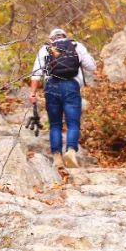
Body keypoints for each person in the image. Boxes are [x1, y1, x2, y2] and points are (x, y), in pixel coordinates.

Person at [29, 28, 96, 169]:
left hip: (52, 87)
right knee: (73, 123)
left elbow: (36, 73)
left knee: (55, 125)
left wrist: (33, 93)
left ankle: (57, 158)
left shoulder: (45, 49)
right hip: (71, 86)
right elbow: (91, 67)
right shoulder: (76, 46)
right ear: (65, 37)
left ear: (51, 38)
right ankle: (71, 152)